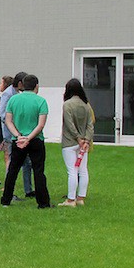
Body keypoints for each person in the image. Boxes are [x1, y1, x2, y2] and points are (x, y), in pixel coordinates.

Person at [1, 74, 50, 208]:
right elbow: (40, 125)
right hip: (35, 139)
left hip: (18, 140)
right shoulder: (41, 101)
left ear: (22, 84)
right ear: (36, 86)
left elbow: (8, 121)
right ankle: (43, 202)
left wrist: (18, 136)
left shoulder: (13, 100)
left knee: (13, 169)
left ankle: (6, 199)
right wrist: (29, 137)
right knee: (38, 170)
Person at [59, 78, 94, 207]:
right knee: (83, 170)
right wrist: (86, 139)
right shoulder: (86, 105)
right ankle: (80, 198)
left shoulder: (67, 104)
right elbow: (90, 125)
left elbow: (69, 124)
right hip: (83, 143)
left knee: (72, 171)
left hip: (70, 142)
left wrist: (78, 138)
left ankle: (70, 200)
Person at [0, 72, 33, 197]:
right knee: (12, 161)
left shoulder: (17, 94)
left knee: (26, 162)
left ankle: (28, 189)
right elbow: (3, 115)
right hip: (11, 134)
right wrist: (16, 127)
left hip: (20, 133)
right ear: (19, 84)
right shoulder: (8, 94)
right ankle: (8, 191)